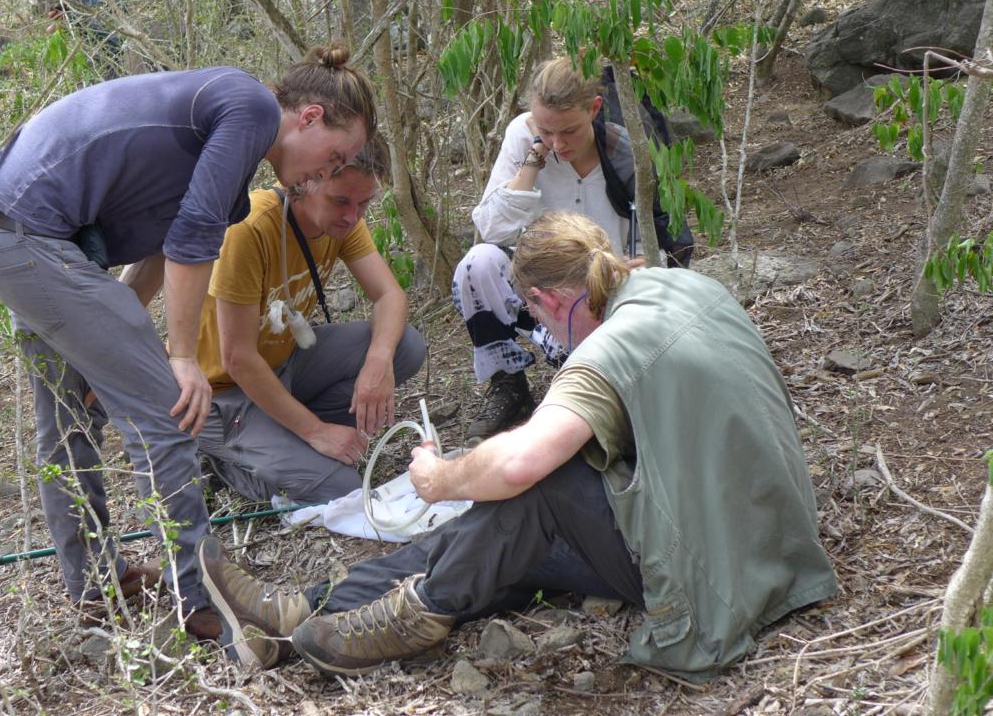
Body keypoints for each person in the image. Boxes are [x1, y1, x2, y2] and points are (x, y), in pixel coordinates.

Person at [198, 211, 837, 682]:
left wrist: (439, 478)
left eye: (530, 310)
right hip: (774, 541)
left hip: (712, 585)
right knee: (502, 537)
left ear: (550, 298)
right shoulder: (688, 288)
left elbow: (523, 461)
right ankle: (300, 614)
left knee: (535, 486)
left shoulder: (610, 351)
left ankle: (416, 610)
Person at [0, 45, 376, 637]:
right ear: (308, 117)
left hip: (11, 235)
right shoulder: (252, 107)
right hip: (33, 240)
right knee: (171, 413)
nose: (324, 174)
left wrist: (111, 357)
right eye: (333, 156)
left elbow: (162, 249)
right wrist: (178, 358)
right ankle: (201, 601)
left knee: (69, 420)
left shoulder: (232, 161)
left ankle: (95, 585)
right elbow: (190, 240)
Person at [456, 57, 694, 446]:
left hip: (604, 288)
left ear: (594, 109)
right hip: (541, 290)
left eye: (569, 130)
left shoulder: (624, 148)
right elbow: (492, 228)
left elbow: (660, 244)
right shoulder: (525, 136)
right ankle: (508, 384)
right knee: (477, 264)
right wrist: (534, 157)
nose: (558, 143)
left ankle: (587, 383)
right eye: (546, 130)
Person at [192, 137, 424, 504]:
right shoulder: (249, 228)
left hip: (284, 366)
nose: (353, 216)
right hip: (224, 395)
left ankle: (284, 432)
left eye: (364, 203)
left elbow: (390, 296)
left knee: (405, 346)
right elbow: (237, 358)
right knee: (342, 488)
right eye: (341, 201)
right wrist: (315, 431)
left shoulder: (344, 222)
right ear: (302, 183)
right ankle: (224, 458)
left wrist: (378, 363)